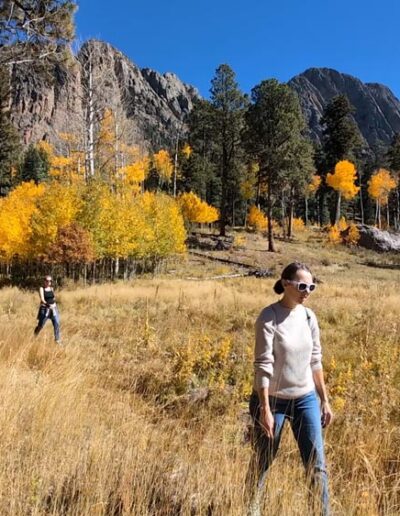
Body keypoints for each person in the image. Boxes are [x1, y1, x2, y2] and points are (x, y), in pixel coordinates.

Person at [246, 262, 333, 516]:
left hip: (305, 398)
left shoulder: (309, 316)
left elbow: (315, 360)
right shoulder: (268, 316)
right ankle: (251, 509)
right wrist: (264, 409)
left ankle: (321, 512)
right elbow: (263, 365)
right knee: (263, 460)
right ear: (286, 284)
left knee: (316, 464)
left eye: (311, 287)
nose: (307, 291)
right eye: (301, 286)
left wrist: (324, 400)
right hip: (272, 401)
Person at [34, 275, 61, 344]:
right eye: (47, 281)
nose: (49, 282)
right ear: (44, 281)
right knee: (41, 325)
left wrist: (54, 303)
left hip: (53, 308)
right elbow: (42, 299)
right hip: (45, 309)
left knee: (57, 323)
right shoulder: (41, 288)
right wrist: (48, 305)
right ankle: (34, 336)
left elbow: (53, 297)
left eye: (50, 281)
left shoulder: (51, 288)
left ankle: (57, 340)